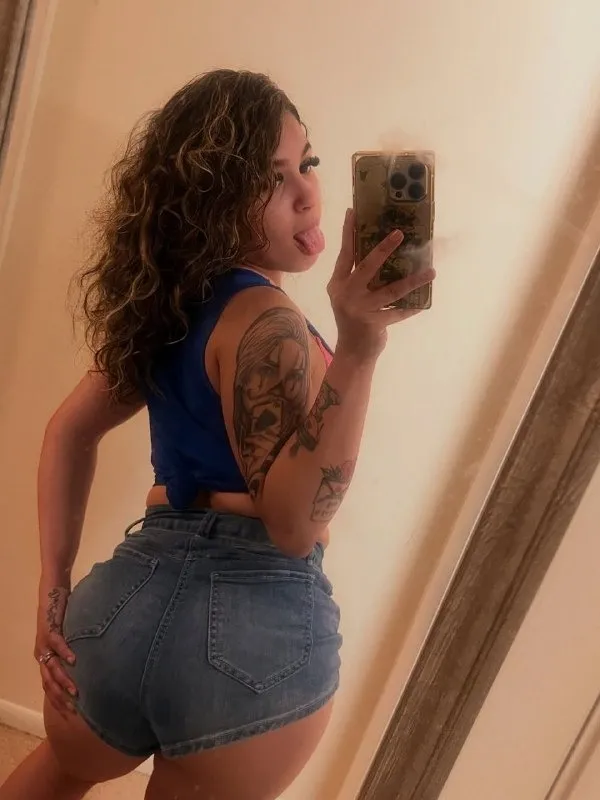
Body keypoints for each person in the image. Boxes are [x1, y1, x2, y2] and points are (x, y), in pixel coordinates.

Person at [0, 69, 435, 800]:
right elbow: (293, 525)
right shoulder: (267, 319)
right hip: (250, 640)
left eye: (307, 163)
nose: (307, 194)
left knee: (59, 773)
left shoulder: (169, 306)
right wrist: (358, 350)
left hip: (118, 616)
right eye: (270, 180)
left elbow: (68, 431)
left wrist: (54, 588)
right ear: (212, 203)